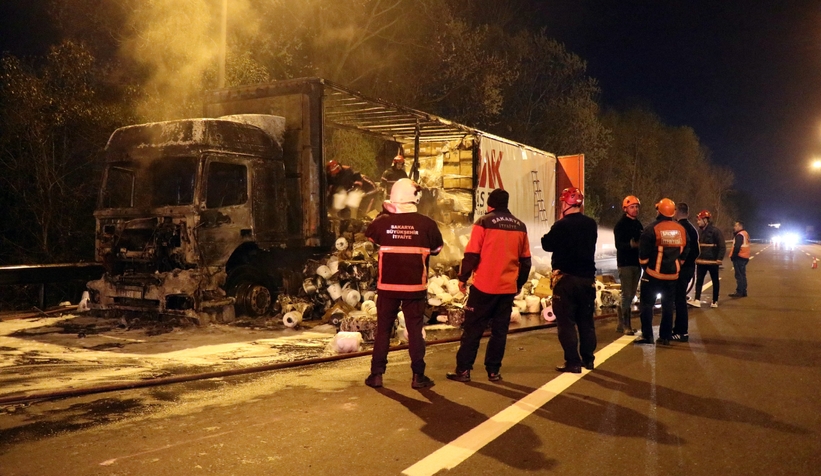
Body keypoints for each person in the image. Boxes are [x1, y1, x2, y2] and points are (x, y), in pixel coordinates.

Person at [364, 178, 443, 389]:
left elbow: (370, 236)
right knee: (415, 330)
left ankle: (376, 375)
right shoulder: (427, 224)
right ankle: (418, 376)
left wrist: (387, 215)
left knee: (383, 330)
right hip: (414, 287)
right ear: (415, 198)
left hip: (387, 287)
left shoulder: (382, 222)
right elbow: (436, 249)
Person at [446, 189, 531, 383]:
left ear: (490, 204)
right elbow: (526, 261)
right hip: (507, 289)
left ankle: (464, 370)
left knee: (473, 330)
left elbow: (472, 254)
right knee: (499, 332)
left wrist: (462, 277)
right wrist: (518, 284)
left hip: (483, 287)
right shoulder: (520, 226)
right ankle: (493, 371)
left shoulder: (483, 222)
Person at [540, 187, 598, 373]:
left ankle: (573, 362)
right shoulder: (591, 224)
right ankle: (588, 359)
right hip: (587, 280)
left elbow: (546, 244)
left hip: (565, 281)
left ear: (566, 203)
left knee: (566, 323)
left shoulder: (561, 225)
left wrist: (558, 223)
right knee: (586, 322)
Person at [636, 198, 689, 346]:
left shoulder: (652, 229)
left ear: (659, 211)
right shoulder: (681, 229)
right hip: (672, 276)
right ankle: (665, 337)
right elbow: (687, 249)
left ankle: (647, 336)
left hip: (653, 275)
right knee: (668, 306)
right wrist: (679, 263)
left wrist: (646, 267)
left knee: (647, 305)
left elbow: (643, 253)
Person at [613, 195, 643, 335]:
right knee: (627, 294)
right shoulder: (621, 225)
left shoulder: (638, 224)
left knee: (630, 295)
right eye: (632, 207)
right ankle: (626, 326)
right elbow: (619, 245)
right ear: (625, 209)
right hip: (625, 263)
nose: (635, 209)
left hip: (637, 263)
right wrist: (631, 244)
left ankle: (621, 324)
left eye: (636, 207)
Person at [672, 202, 699, 343]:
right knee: (680, 298)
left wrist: (680, 262)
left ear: (677, 211)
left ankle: (681, 331)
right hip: (689, 268)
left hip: (680, 269)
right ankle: (678, 329)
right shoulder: (692, 229)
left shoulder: (679, 228)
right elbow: (697, 251)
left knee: (679, 300)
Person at [692, 210, 725, 308]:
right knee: (699, 281)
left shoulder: (715, 231)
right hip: (701, 261)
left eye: (699, 220)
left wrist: (719, 258)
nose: (698, 222)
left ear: (705, 220)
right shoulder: (699, 232)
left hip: (712, 262)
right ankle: (697, 299)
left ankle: (715, 301)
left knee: (715, 281)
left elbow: (722, 246)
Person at [728, 220, 750, 297]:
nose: (734, 227)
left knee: (739, 275)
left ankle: (739, 291)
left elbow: (737, 247)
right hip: (744, 257)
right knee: (743, 275)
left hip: (739, 257)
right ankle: (744, 291)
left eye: (736, 226)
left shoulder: (739, 235)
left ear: (740, 226)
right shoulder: (745, 234)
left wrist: (733, 256)